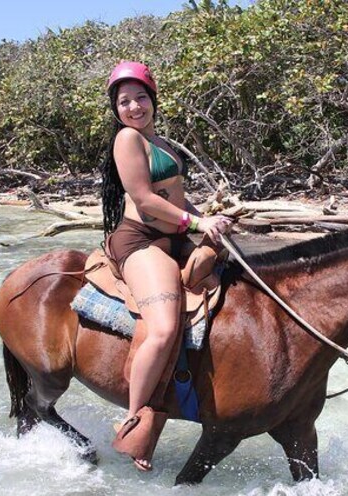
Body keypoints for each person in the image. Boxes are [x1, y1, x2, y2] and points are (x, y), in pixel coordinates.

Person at [100, 61, 232, 471]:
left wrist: (211, 220)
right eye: (124, 101)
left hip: (172, 235)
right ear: (116, 109)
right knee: (164, 327)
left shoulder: (161, 143)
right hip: (140, 241)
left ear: (153, 100)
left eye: (140, 97)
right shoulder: (127, 140)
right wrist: (197, 223)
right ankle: (135, 417)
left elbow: (174, 201)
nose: (134, 107)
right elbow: (143, 199)